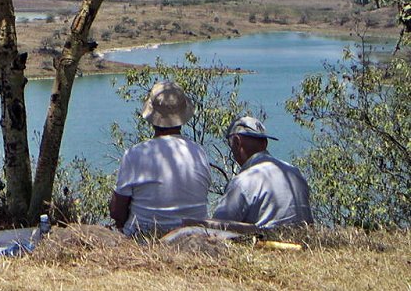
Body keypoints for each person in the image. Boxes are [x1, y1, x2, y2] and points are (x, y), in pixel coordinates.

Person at [110, 81, 211, 236]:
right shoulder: (198, 153)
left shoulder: (135, 154)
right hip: (194, 236)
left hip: (144, 239)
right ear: (183, 116)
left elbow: (117, 213)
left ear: (152, 116)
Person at [213, 116, 313, 228]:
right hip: (303, 241)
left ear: (237, 142)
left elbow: (218, 228)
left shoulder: (243, 182)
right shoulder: (294, 173)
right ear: (265, 143)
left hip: (263, 243)